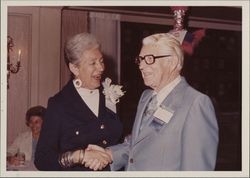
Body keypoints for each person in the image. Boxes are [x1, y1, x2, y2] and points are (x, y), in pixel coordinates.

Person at [86, 31, 219, 171]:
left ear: (172, 62)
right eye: (140, 59)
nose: (141, 66)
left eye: (149, 59)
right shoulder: (146, 97)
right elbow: (139, 143)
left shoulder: (196, 104)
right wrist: (108, 154)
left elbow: (196, 169)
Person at [34, 32, 123, 171]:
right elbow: (42, 159)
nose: (101, 68)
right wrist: (78, 156)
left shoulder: (108, 93)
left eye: (101, 61)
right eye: (93, 63)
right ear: (74, 68)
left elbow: (119, 139)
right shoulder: (59, 104)